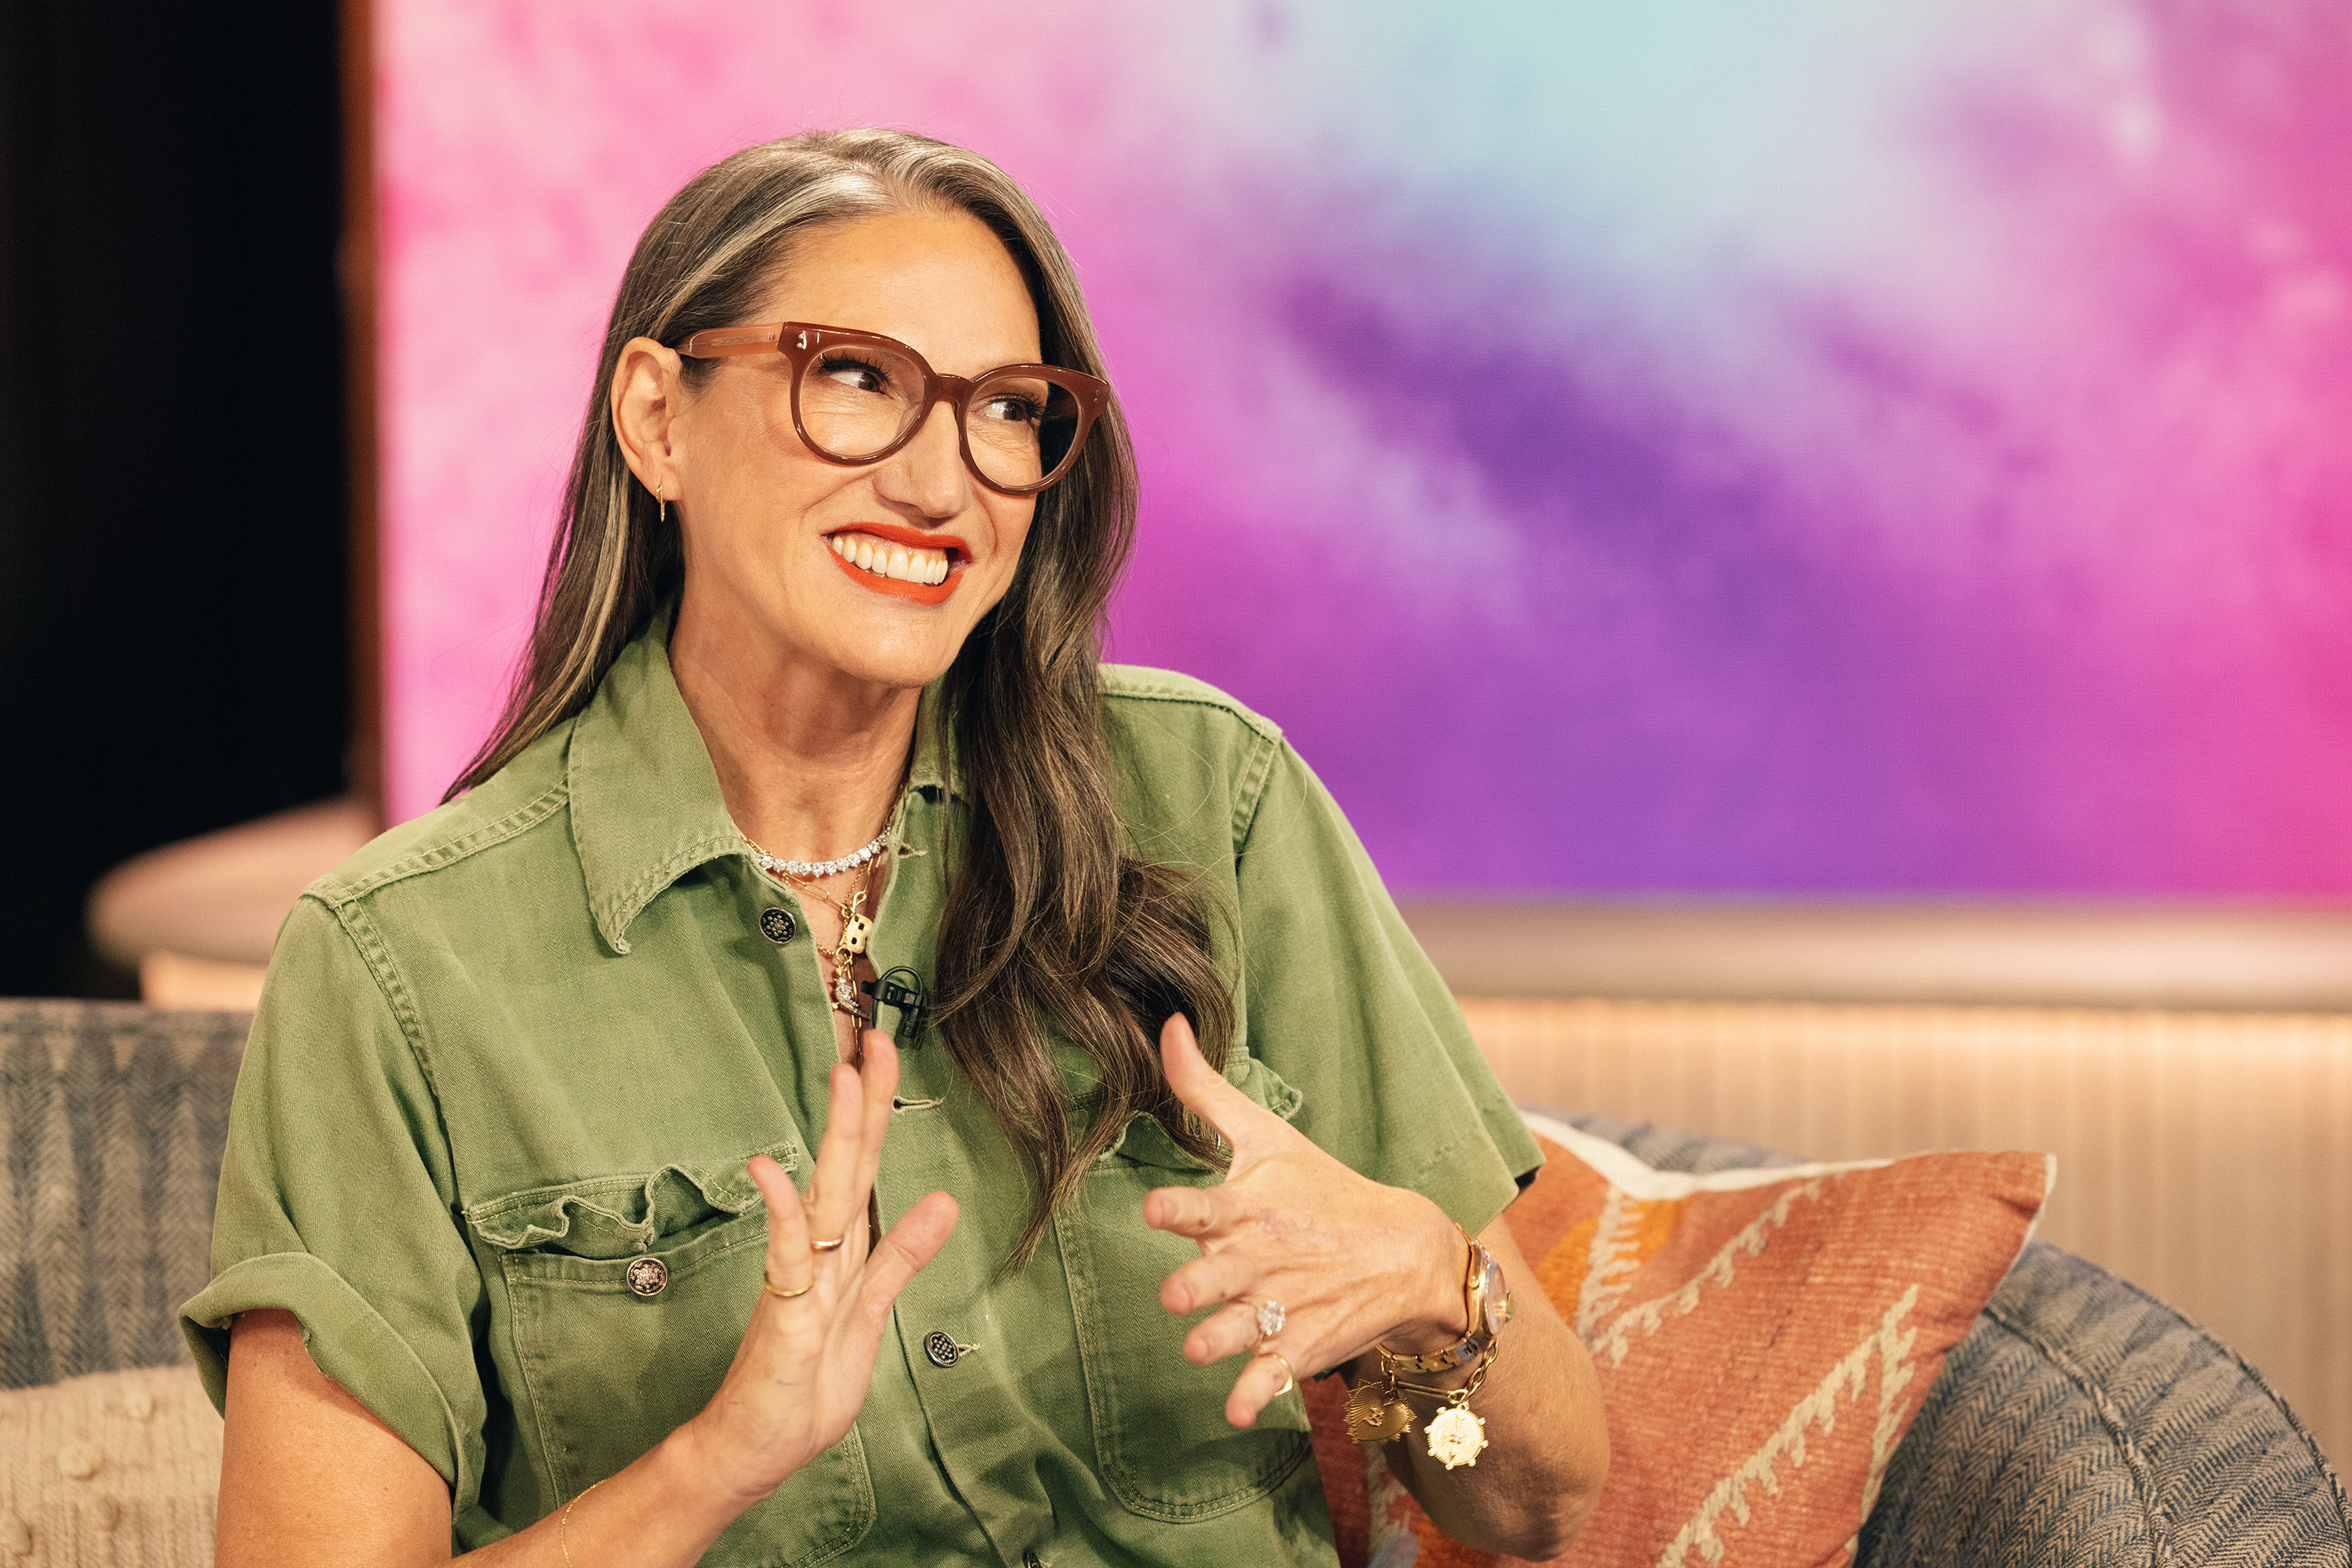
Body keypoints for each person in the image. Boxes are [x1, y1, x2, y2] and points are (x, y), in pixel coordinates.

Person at [185, 129, 1609, 1566]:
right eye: (854, 377)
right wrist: (713, 1464)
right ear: (657, 419)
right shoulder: (400, 967)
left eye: (1005, 409)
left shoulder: (1208, 804)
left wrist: (1441, 1294)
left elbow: (1540, 1507)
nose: (943, 485)